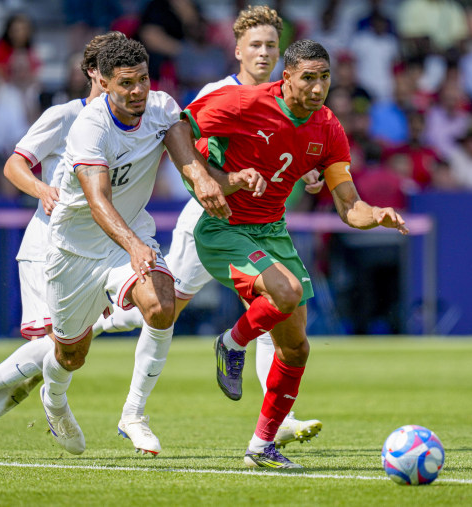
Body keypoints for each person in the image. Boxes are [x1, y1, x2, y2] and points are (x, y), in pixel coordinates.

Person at [0, 36, 264, 458]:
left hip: (124, 236)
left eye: (144, 80)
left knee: (161, 304)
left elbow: (188, 159)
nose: (138, 91)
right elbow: (93, 199)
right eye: (127, 83)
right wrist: (44, 190)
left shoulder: (162, 108)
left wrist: (216, 180)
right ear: (101, 78)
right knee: (63, 354)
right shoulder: (82, 123)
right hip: (68, 248)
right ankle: (3, 403)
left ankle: (133, 413)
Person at [93, 5, 326, 450]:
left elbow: (283, 156)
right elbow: (184, 148)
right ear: (237, 49)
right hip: (210, 222)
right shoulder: (221, 92)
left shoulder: (289, 98)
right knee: (161, 312)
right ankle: (126, 389)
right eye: (255, 45)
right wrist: (214, 186)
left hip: (257, 228)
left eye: (271, 46)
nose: (263, 53)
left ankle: (280, 419)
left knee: (273, 304)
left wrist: (306, 172)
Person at [180, 39, 408, 468]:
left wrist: (375, 214)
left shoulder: (328, 128)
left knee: (297, 349)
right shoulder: (245, 103)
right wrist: (210, 178)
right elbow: (179, 129)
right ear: (287, 78)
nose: (319, 87)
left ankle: (260, 447)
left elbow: (348, 206)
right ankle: (231, 343)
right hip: (225, 226)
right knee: (283, 293)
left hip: (273, 233)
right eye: (309, 77)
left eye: (325, 77)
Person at [0, 32, 126, 461]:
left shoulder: (127, 125)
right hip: (49, 245)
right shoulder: (66, 115)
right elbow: (14, 164)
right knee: (54, 351)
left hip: (89, 253)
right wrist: (41, 188)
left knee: (51, 362)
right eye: (110, 70)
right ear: (94, 73)